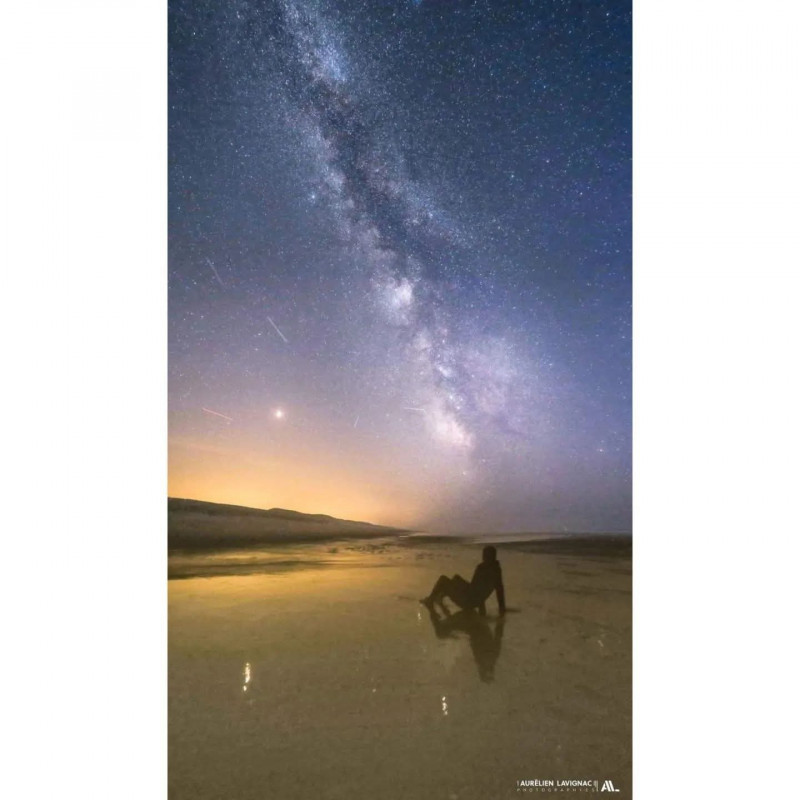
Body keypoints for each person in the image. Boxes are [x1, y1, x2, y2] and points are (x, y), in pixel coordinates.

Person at [421, 545, 506, 616]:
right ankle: (440, 596)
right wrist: (502, 608)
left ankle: (430, 600)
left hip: (467, 602)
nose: (483, 558)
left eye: (485, 556)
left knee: (443, 579)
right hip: (474, 600)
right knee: (456, 578)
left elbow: (475, 590)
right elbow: (499, 590)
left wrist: (482, 613)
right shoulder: (497, 570)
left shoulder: (481, 568)